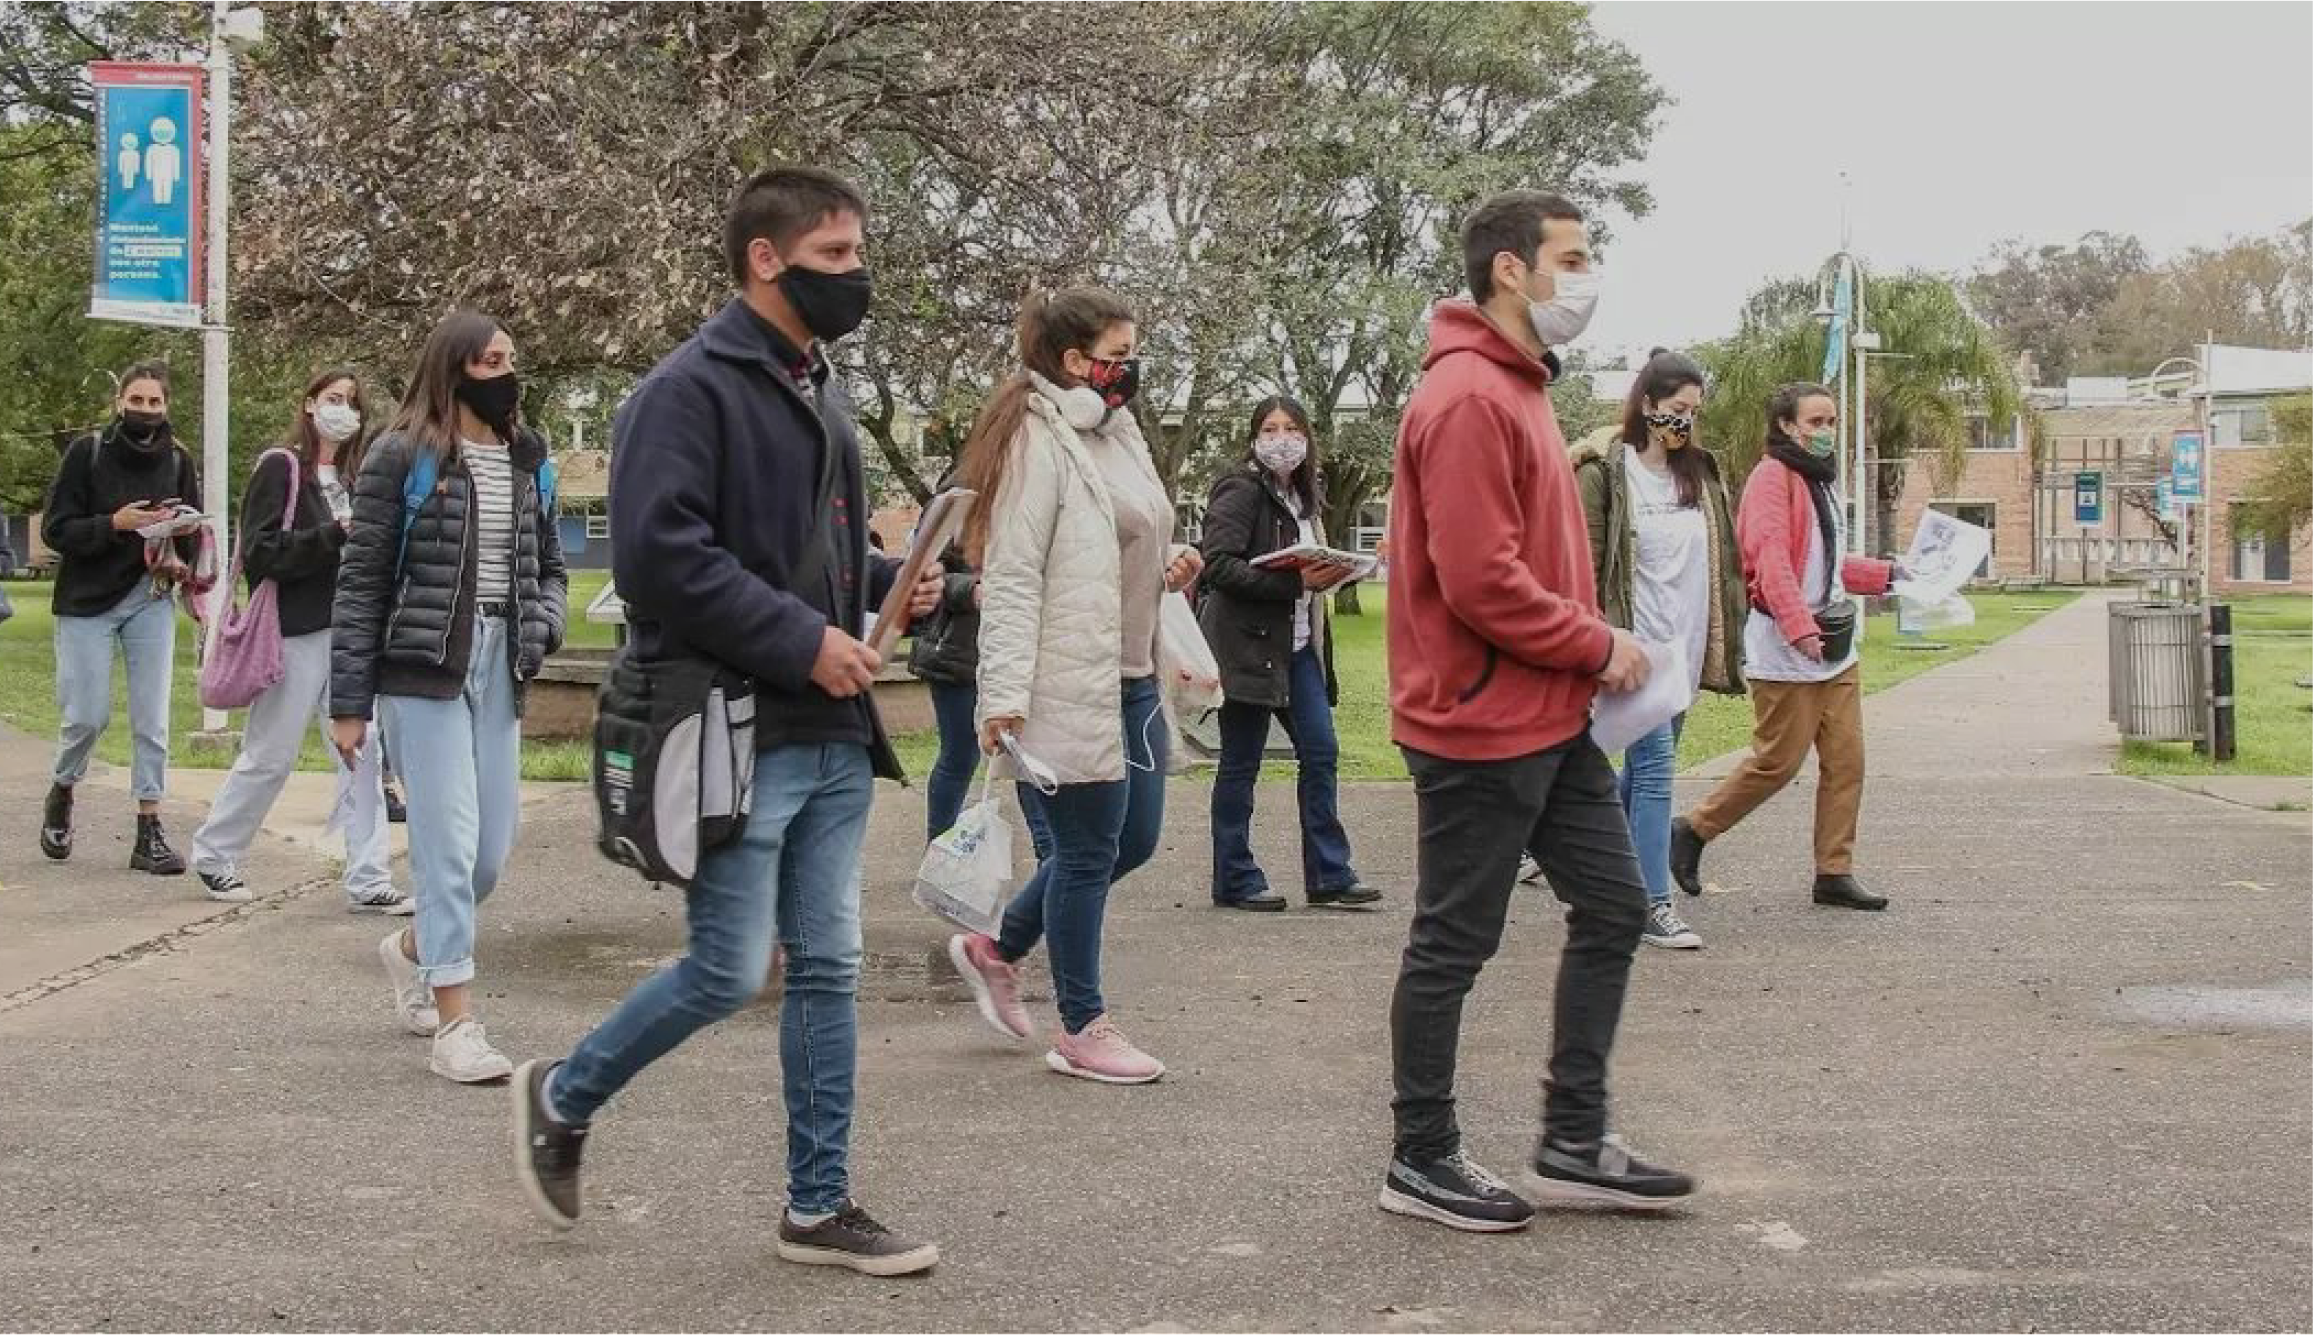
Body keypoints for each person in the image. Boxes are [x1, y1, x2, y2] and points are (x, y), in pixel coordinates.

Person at [510, 166, 945, 1276]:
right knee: (724, 969)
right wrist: (803, 638)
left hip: (832, 735)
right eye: (838, 255)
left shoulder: (819, 387)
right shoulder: (683, 392)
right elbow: (661, 558)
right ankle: (562, 1094)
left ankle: (818, 1204)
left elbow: (806, 546)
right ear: (768, 257)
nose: (859, 276)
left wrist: (893, 580)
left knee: (831, 968)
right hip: (735, 730)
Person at [1379, 190, 1695, 1233]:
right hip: (1480, 718)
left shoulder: (1520, 389)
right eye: (1572, 255)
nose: (1586, 276)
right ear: (1510, 270)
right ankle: (1419, 1156)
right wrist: (1598, 643)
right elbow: (1480, 579)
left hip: (1550, 716)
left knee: (1613, 906)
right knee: (1453, 942)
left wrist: (1584, 656)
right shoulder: (1469, 394)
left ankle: (1572, 1137)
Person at [943, 286, 1203, 1086]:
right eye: (1118, 357)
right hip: (1065, 679)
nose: (1129, 371)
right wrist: (1002, 697)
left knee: (1135, 841)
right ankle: (1082, 1026)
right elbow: (1015, 576)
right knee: (1088, 850)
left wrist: (1166, 567)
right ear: (1072, 359)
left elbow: (1120, 540)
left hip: (1130, 671)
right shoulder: (1035, 440)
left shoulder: (1117, 430)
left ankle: (997, 944)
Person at [329, 311, 568, 1083]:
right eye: (489, 359)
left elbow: (551, 567)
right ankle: (457, 1023)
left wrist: (544, 619)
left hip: (501, 664)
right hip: (421, 667)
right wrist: (348, 700)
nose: (504, 370)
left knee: (487, 857)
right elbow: (362, 581)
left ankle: (409, 951)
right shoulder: (401, 456)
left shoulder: (531, 460)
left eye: (510, 357)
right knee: (445, 846)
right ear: (454, 367)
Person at [1669, 382, 1898, 912]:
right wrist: (1800, 629)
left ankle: (1834, 871)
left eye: (1831, 422)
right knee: (1778, 761)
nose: (1825, 432)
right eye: (1815, 423)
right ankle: (1694, 829)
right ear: (1786, 426)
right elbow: (1770, 562)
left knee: (1847, 762)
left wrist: (1888, 574)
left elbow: (1823, 560)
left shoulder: (1820, 482)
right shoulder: (1773, 479)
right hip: (1788, 647)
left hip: (1836, 647)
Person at [189, 370, 410, 913]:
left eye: (353, 402)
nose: (344, 410)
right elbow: (263, 554)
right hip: (294, 631)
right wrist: (335, 534)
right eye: (333, 399)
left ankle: (369, 876)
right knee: (270, 754)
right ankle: (216, 853)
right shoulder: (282, 467)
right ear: (309, 404)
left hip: (350, 632)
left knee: (362, 752)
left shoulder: (360, 475)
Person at [1569, 350, 1745, 950]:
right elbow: (1586, 565)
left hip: (1688, 647)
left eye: (1693, 412)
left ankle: (1583, 857)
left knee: (1639, 776)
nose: (1684, 422)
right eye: (1676, 410)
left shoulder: (1700, 473)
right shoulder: (1604, 474)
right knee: (1653, 773)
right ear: (1647, 404)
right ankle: (1651, 902)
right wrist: (1598, 640)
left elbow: (1723, 561)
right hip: (1635, 647)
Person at [1196, 396, 1378, 913]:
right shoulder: (1240, 489)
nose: (1282, 438)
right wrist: (1294, 582)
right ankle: (1234, 877)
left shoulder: (1306, 497)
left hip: (1299, 651)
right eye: (1271, 428)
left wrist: (1336, 572)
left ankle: (1329, 874)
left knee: (1321, 752)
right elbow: (1218, 567)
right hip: (1248, 650)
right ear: (1254, 436)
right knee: (1241, 763)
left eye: (1292, 428)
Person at [38, 360, 202, 875]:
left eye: (155, 402)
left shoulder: (178, 460)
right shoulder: (87, 454)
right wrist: (115, 523)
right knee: (87, 715)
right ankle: (63, 787)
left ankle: (148, 826)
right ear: (120, 403)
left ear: (167, 406)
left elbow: (193, 532)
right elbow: (56, 530)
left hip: (149, 595)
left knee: (152, 718)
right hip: (87, 600)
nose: (146, 410)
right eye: (137, 401)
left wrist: (179, 534)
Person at [906, 466, 1055, 856]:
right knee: (959, 755)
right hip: (960, 651)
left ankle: (1049, 857)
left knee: (1030, 754)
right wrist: (971, 590)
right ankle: (938, 852)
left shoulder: (1040, 482)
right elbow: (923, 569)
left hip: (1023, 648)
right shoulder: (958, 492)